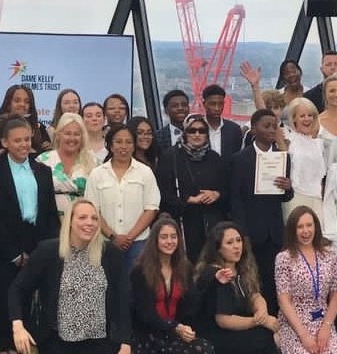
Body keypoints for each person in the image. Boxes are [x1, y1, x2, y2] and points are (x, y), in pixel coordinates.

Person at [9, 199, 132, 354]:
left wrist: (125, 344)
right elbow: (18, 288)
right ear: (70, 222)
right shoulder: (49, 251)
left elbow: (122, 300)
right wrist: (18, 326)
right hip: (60, 341)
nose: (89, 223)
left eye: (94, 218)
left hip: (97, 342)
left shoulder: (110, 254)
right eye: (82, 217)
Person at [0, 116, 58, 354]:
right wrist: (13, 253)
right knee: (5, 296)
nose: (24, 144)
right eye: (17, 140)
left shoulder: (42, 171)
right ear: (5, 142)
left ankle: (27, 347)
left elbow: (48, 213)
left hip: (37, 240)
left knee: (31, 297)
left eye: (27, 139)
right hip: (6, 245)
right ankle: (3, 348)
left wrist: (46, 249)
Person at [124, 216, 220, 354]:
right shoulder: (140, 271)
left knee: (205, 349)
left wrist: (212, 278)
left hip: (175, 332)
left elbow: (193, 304)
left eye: (173, 237)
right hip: (148, 336)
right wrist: (174, 327)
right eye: (164, 237)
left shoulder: (184, 268)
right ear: (155, 241)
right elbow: (145, 314)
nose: (169, 242)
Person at [191, 222, 279, 354]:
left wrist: (262, 310)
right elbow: (224, 320)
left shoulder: (241, 268)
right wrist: (259, 321)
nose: (236, 246)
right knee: (264, 335)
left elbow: (255, 294)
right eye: (229, 243)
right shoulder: (218, 274)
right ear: (218, 248)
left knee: (273, 334)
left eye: (238, 241)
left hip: (233, 327)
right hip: (213, 332)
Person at [275, 207, 337, 354]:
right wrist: (303, 335)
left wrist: (326, 327)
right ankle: (283, 351)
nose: (305, 231)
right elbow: (283, 300)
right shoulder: (284, 258)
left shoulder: (329, 254)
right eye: (300, 227)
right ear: (292, 230)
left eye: (309, 225)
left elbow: (335, 294)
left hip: (322, 321)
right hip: (296, 323)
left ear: (316, 227)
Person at [228, 110, 293, 305]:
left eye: (275, 126)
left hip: (274, 230)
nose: (272, 130)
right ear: (254, 129)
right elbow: (235, 198)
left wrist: (288, 188)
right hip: (251, 230)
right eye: (267, 126)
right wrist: (242, 232)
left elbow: (286, 197)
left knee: (276, 281)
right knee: (252, 279)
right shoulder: (240, 159)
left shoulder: (283, 157)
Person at [87, 123, 161, 274]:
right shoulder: (97, 174)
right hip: (105, 242)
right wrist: (113, 236)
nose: (124, 146)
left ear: (134, 146)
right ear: (110, 146)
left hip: (138, 242)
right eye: (118, 142)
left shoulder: (145, 172)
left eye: (128, 142)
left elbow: (151, 208)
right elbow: (93, 210)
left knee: (134, 288)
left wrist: (129, 237)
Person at [157, 114, 227, 260]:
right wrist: (187, 200)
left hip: (211, 224)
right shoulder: (171, 157)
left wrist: (216, 194)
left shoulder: (214, 158)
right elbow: (162, 193)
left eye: (202, 131)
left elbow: (227, 188)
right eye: (192, 131)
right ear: (184, 133)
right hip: (183, 224)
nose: (197, 135)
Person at [39, 113, 98, 213]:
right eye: (67, 133)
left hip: (83, 221)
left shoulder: (93, 161)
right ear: (58, 135)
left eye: (76, 134)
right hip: (49, 219)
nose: (72, 138)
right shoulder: (43, 160)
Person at [283, 98, 330, 219]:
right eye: (302, 116)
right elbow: (269, 118)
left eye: (310, 115)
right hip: (296, 197)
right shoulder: (288, 139)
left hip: (316, 198)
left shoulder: (319, 144)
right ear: (293, 118)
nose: (307, 119)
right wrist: (255, 87)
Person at [0, 84, 50, 153]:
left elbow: (47, 153)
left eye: (27, 102)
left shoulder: (39, 128)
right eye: (17, 101)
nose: (22, 104)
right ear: (8, 104)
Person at [201, 84, 245, 159]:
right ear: (204, 104)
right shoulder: (196, 128)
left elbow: (236, 156)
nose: (217, 108)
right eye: (212, 104)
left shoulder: (234, 129)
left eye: (220, 104)